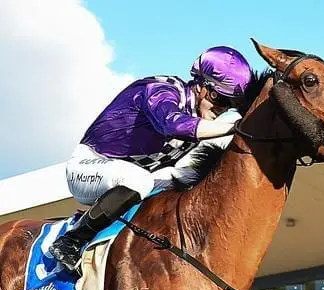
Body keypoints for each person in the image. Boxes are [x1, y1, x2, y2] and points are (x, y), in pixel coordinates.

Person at [50, 46, 254, 271]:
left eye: (230, 105)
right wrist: (232, 127)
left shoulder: (198, 114)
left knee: (187, 182)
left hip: (130, 178)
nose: (222, 109)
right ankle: (71, 240)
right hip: (89, 167)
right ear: (202, 87)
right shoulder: (160, 89)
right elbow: (173, 124)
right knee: (139, 181)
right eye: (220, 99)